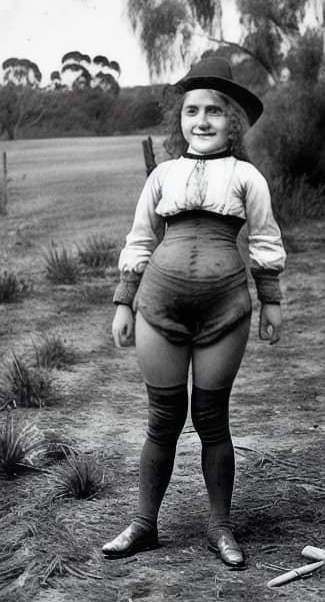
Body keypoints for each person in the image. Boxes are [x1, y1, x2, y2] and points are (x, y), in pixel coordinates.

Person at [103, 57, 286, 569]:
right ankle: (143, 525)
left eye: (214, 111)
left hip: (225, 310)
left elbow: (266, 241)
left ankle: (220, 527)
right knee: (162, 419)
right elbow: (140, 239)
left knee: (211, 419)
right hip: (157, 306)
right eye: (191, 111)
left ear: (234, 122)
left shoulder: (248, 177)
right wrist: (124, 302)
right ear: (178, 120)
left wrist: (270, 300)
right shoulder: (163, 176)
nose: (201, 120)